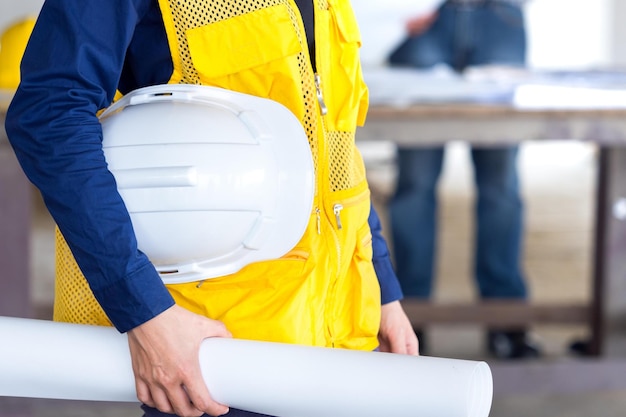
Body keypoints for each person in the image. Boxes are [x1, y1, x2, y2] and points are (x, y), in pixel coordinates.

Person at [5, 1, 418, 416]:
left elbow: (330, 144)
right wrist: (145, 313)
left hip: (344, 336)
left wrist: (381, 286)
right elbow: (50, 112)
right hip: (220, 358)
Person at [387, 0, 541, 359]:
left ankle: (506, 316)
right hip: (427, 17)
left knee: (500, 184)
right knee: (414, 184)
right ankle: (408, 319)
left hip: (500, 17)